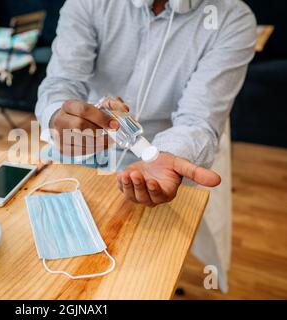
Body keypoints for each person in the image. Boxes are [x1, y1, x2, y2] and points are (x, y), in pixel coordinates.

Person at [35, 0, 256, 291]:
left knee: (135, 277)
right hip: (85, 145)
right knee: (47, 260)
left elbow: (198, 118)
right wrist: (57, 117)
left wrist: (169, 155)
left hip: (161, 161)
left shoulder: (230, 16)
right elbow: (62, 81)